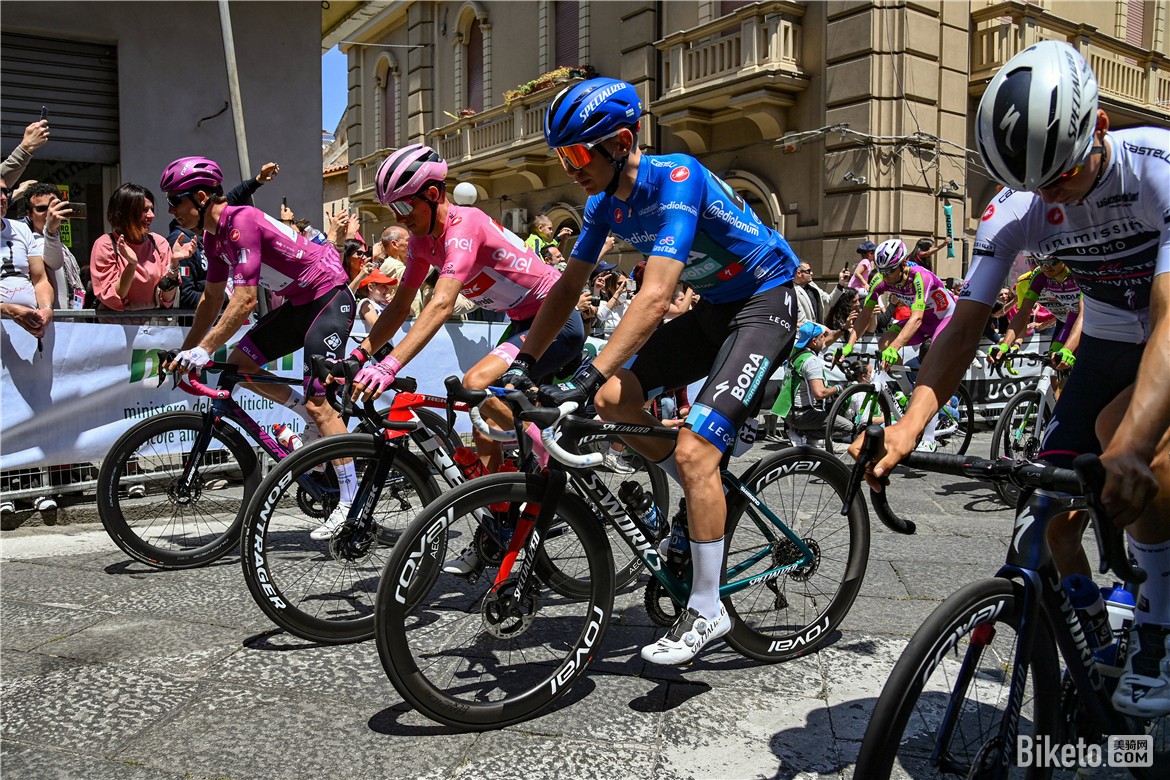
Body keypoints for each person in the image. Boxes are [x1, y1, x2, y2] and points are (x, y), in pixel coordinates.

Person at [852, 41, 1170, 717]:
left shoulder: (1158, 168)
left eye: (1063, 174)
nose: (1052, 196)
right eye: (1034, 186)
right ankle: (1093, 634)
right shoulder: (1015, 206)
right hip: (1108, 343)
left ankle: (1156, 628)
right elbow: (963, 327)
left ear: (1101, 127)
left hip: (1165, 333)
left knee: (1130, 443)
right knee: (1049, 519)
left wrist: (1132, 447)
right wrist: (908, 426)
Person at [500, 77, 801, 665]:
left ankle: (708, 608)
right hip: (715, 310)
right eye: (562, 157)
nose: (570, 169)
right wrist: (524, 362)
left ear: (622, 142)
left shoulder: (679, 177)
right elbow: (568, 287)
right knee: (613, 399)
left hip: (765, 302)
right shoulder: (601, 204)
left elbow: (658, 294)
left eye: (578, 154)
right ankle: (702, 488)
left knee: (693, 449)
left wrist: (586, 373)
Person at [346, 144, 585, 551]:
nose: (400, 218)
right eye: (392, 209)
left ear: (432, 195)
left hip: (556, 319)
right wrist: (361, 353)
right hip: (522, 323)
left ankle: (549, 464)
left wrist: (389, 366)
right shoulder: (421, 242)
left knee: (476, 384)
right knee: (482, 427)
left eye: (404, 205)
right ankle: (500, 524)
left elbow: (441, 304)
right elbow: (401, 306)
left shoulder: (464, 225)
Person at [159, 156, 358, 540]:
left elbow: (245, 300)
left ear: (200, 197)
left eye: (174, 201)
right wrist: (188, 351)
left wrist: (204, 350)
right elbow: (211, 300)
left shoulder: (241, 222)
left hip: (328, 297)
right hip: (299, 304)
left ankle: (350, 503)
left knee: (322, 404)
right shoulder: (213, 238)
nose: (171, 211)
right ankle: (306, 413)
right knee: (239, 365)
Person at [845, 238, 958, 451]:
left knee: (929, 370)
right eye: (882, 271)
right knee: (884, 342)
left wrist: (895, 348)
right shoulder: (881, 279)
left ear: (903, 264)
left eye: (890, 271)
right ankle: (907, 392)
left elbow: (916, 318)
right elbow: (865, 314)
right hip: (923, 320)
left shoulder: (920, 277)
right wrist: (850, 344)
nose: (885, 276)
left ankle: (929, 439)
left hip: (944, 318)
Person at [168, 162, 281, 310]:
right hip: (211, 314)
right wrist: (229, 299)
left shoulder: (212, 228)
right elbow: (188, 296)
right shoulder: (182, 241)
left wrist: (258, 179)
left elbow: (230, 199)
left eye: (174, 202)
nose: (170, 210)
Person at [89, 184, 194, 311]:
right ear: (125, 213)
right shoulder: (105, 244)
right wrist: (131, 265)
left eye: (152, 209)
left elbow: (167, 300)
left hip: (153, 323)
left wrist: (174, 263)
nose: (151, 215)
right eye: (144, 210)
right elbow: (113, 298)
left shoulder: (159, 243)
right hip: (116, 323)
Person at [987, 253, 1083, 375]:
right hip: (1069, 320)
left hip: (1093, 322)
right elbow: (1023, 313)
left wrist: (1067, 350)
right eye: (1039, 262)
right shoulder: (1040, 275)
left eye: (1051, 262)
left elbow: (1084, 315)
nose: (1046, 267)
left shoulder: (1079, 273)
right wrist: (1005, 346)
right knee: (1054, 363)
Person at [780, 322, 846, 446]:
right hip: (802, 415)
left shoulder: (796, 351)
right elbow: (820, 393)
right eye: (822, 336)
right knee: (848, 428)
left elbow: (826, 342)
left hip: (787, 412)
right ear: (815, 341)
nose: (825, 339)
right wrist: (839, 388)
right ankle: (804, 433)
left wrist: (843, 329)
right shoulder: (811, 361)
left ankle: (804, 434)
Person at [21, 183, 82, 309]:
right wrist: (51, 231)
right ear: (30, 214)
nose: (50, 213)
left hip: (73, 316)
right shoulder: (31, 244)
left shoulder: (59, 243)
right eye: (42, 209)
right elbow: (54, 263)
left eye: (54, 207)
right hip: (52, 318)